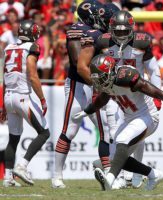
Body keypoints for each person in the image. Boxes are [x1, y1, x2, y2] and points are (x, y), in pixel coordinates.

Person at [74, 54, 163, 190]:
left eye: (102, 77)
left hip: (147, 116)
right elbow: (103, 99)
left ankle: (110, 179)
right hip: (130, 119)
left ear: (111, 71)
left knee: (122, 139)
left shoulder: (125, 77)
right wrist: (87, 111)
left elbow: (155, 92)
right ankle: (153, 174)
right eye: (98, 78)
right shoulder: (108, 81)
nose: (100, 82)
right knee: (115, 158)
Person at [78, 10, 161, 188]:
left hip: (137, 91)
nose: (121, 35)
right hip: (113, 92)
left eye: (125, 31)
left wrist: (157, 96)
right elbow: (97, 67)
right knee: (113, 133)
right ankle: (119, 177)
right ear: (111, 29)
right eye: (118, 31)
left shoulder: (142, 41)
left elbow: (153, 70)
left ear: (131, 29)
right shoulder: (103, 41)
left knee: (137, 136)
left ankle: (137, 175)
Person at [52, 0, 119, 189]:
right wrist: (99, 85)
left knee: (105, 128)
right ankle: (57, 176)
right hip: (79, 84)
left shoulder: (93, 32)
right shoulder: (84, 31)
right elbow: (77, 63)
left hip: (92, 83)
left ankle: (107, 172)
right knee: (71, 129)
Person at [0, 20, 50, 187]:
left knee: (13, 139)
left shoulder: (8, 48)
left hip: (8, 96)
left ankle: (8, 178)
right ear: (33, 34)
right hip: (23, 97)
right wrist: (42, 99)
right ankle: (22, 166)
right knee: (44, 133)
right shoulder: (32, 47)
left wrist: (3, 105)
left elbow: (5, 74)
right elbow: (32, 74)